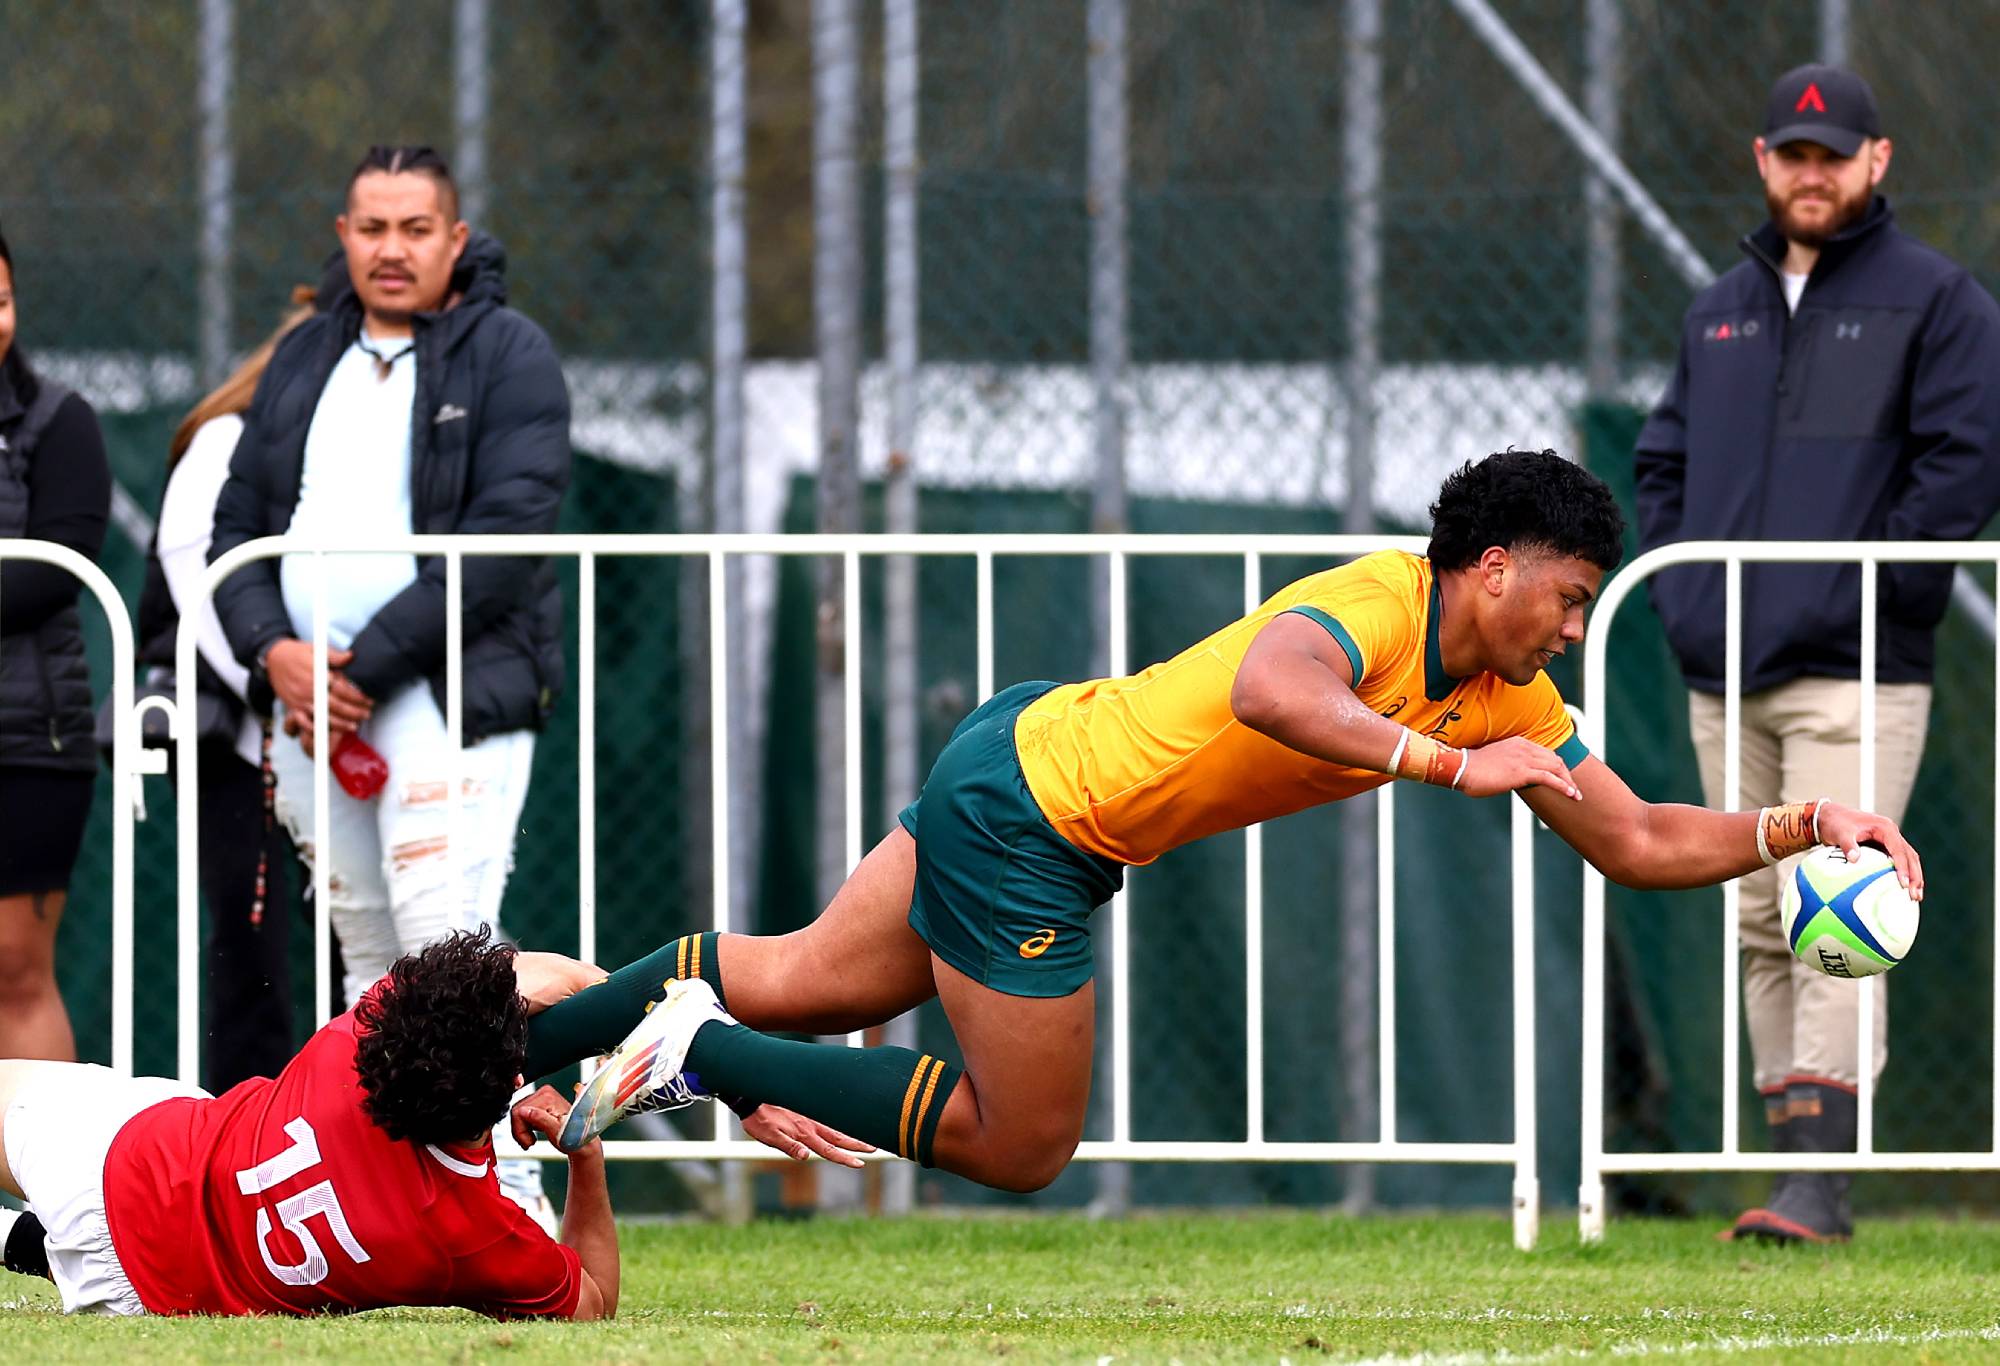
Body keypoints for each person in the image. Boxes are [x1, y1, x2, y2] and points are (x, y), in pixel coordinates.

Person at [517, 450, 1924, 1199]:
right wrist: (1440, 771)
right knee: (1021, 1144)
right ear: (1490, 566)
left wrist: (1804, 820)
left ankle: (492, 1049)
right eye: (1563, 595)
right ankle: (691, 1051)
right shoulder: (1381, 599)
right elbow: (1271, 684)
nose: (1571, 623)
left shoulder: (1515, 695)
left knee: (798, 979)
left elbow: (1637, 841)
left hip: (1017, 754)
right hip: (1035, 814)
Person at [1633, 64, 2000, 1244]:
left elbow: (1961, 470)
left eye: (1831, 154)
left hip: (1853, 665)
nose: (1810, 172)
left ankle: (1816, 1183)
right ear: (1760, 161)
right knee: (1750, 913)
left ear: (1874, 163)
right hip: (1717, 664)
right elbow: (1660, 466)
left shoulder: (1938, 301)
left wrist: (1849, 589)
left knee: (1831, 904)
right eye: (1791, 154)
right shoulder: (1716, 309)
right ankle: (1789, 1165)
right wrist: (1691, 596)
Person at [208, 146, 572, 1223]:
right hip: (311, 711)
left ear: (455, 240)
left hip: (449, 702)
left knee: (450, 946)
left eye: (416, 228)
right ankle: (396, 1210)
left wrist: (356, 671)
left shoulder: (509, 353)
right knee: (367, 958)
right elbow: (236, 530)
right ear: (343, 234)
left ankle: (512, 1208)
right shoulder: (304, 353)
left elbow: (508, 537)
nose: (391, 249)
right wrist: (272, 649)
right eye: (371, 228)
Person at [0, 927, 861, 1317]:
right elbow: (594, 1299)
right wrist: (585, 1153)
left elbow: (555, 978)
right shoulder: (466, 1234)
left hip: (124, 1163)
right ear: (496, 1084)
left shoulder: (351, 1041)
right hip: (148, 1291)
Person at [144, 290, 316, 1092]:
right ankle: (245, 1140)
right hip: (234, 742)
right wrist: (278, 686)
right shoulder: (224, 439)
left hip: (320, 731)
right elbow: (199, 582)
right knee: (252, 953)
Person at [0, 226, 112, 1063]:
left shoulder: (58, 420)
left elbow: (54, 568)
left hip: (28, 743)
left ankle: (41, 1194)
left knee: (14, 970)